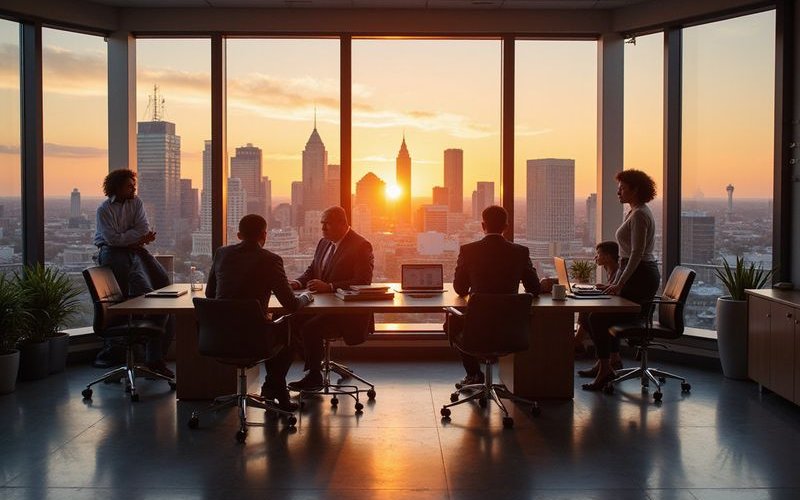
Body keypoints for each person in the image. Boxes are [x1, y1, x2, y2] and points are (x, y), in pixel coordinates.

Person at [205, 214, 314, 411]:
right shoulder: (271, 260)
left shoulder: (221, 253)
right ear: (264, 235)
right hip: (254, 338)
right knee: (291, 332)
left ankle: (272, 388)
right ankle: (276, 388)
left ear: (239, 235)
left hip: (218, 337)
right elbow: (290, 304)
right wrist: (306, 297)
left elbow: (210, 294)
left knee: (277, 328)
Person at [582, 169, 661, 391]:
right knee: (595, 316)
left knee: (597, 318)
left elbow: (636, 253)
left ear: (635, 190)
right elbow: (628, 256)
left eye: (622, 188)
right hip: (636, 273)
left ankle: (605, 368)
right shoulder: (635, 212)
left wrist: (620, 283)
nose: (618, 192)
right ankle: (608, 360)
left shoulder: (639, 215)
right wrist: (615, 281)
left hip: (640, 276)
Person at [93, 168, 174, 378]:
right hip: (112, 253)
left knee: (163, 284)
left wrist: (132, 238)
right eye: (129, 185)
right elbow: (112, 240)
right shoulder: (104, 210)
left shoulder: (136, 203)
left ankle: (154, 356)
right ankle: (143, 356)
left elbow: (143, 229)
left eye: (133, 184)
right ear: (117, 187)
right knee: (132, 296)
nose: (133, 188)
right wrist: (136, 238)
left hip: (136, 250)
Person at [450, 205, 541, 386]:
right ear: (506, 227)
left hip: (477, 328)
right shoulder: (520, 252)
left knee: (451, 323)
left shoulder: (469, 250)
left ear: (483, 225)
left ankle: (474, 374)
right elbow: (534, 289)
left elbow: (459, 288)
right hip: (512, 329)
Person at [287, 206, 374, 391]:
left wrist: (331, 287)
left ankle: (314, 376)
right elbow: (312, 270)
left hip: (345, 313)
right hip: (322, 307)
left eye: (327, 224)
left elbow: (363, 280)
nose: (323, 228)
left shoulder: (360, 245)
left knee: (310, 328)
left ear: (343, 224)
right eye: (322, 224)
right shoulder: (323, 243)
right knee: (291, 320)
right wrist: (297, 282)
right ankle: (314, 367)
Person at [574, 241, 620, 357]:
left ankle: (576, 343)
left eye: (598, 254)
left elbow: (617, 294)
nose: (595, 257)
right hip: (613, 304)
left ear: (608, 257)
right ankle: (576, 343)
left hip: (620, 309)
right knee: (585, 311)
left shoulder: (619, 271)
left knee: (591, 315)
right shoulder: (609, 268)